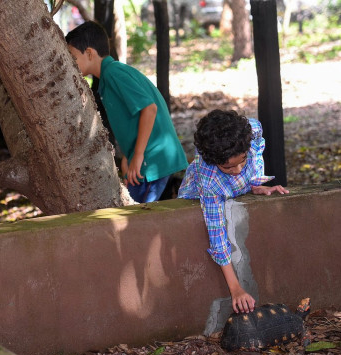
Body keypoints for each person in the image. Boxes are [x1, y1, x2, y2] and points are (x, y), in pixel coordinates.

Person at [178, 109, 289, 314]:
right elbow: (217, 236)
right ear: (213, 161)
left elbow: (257, 151)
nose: (237, 170)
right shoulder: (210, 182)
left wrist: (255, 183)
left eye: (242, 160)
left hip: (237, 188)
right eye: (228, 168)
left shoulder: (252, 130)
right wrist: (236, 289)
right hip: (201, 198)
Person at [65, 21, 188, 203]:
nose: (69, 62)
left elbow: (149, 109)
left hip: (151, 161)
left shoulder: (114, 73)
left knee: (139, 215)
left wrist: (138, 155)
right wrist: (128, 156)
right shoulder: (109, 76)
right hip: (144, 159)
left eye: (72, 56)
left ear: (89, 53)